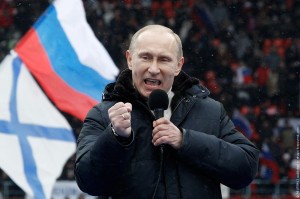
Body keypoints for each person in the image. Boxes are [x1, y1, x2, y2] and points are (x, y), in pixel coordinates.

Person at [74, 24, 259, 199]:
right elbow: (87, 182)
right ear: (130, 59)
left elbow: (246, 168)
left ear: (178, 65)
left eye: (164, 59)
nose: (154, 69)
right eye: (145, 57)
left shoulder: (210, 111)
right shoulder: (104, 114)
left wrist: (185, 140)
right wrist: (115, 137)